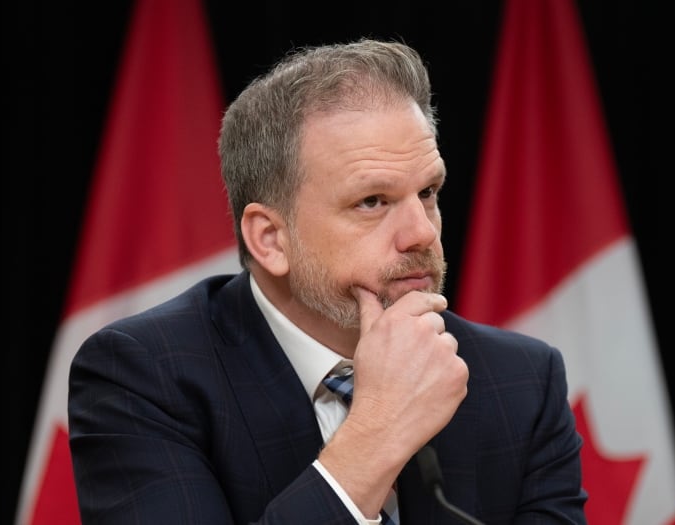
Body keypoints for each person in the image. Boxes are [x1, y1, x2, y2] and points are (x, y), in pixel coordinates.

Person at [68, 38, 588, 524]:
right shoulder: (143, 376)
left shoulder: (522, 380)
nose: (421, 232)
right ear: (270, 238)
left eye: (428, 192)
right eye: (372, 201)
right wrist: (376, 431)